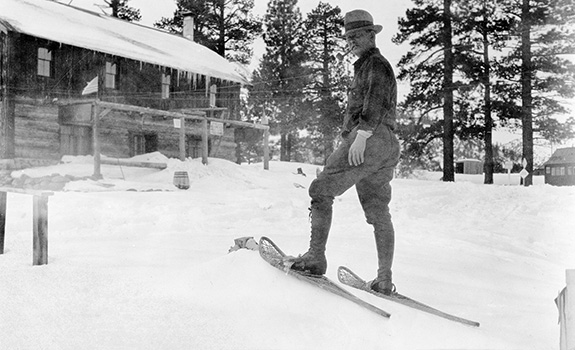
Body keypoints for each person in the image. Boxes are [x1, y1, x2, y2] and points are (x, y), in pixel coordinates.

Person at [287, 9, 400, 295]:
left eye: (356, 36)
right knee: (378, 211)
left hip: (370, 139)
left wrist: (361, 135)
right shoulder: (369, 65)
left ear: (371, 35)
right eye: (348, 38)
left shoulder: (374, 64)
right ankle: (384, 278)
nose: (351, 42)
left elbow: (373, 101)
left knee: (320, 190)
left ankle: (315, 257)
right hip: (386, 144)